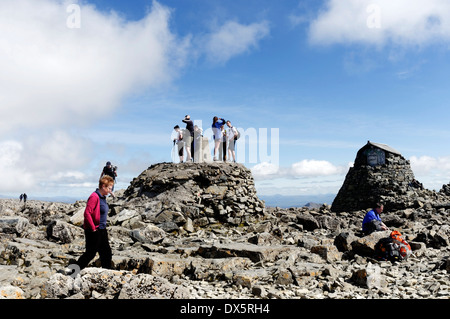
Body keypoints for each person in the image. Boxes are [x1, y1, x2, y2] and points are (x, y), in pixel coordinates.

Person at [75, 175, 114, 270]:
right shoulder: (94, 197)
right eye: (109, 188)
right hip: (94, 230)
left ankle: (107, 272)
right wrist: (93, 229)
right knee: (90, 253)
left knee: (106, 252)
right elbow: (87, 213)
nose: (110, 190)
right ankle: (73, 272)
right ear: (103, 186)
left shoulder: (102, 197)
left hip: (102, 229)